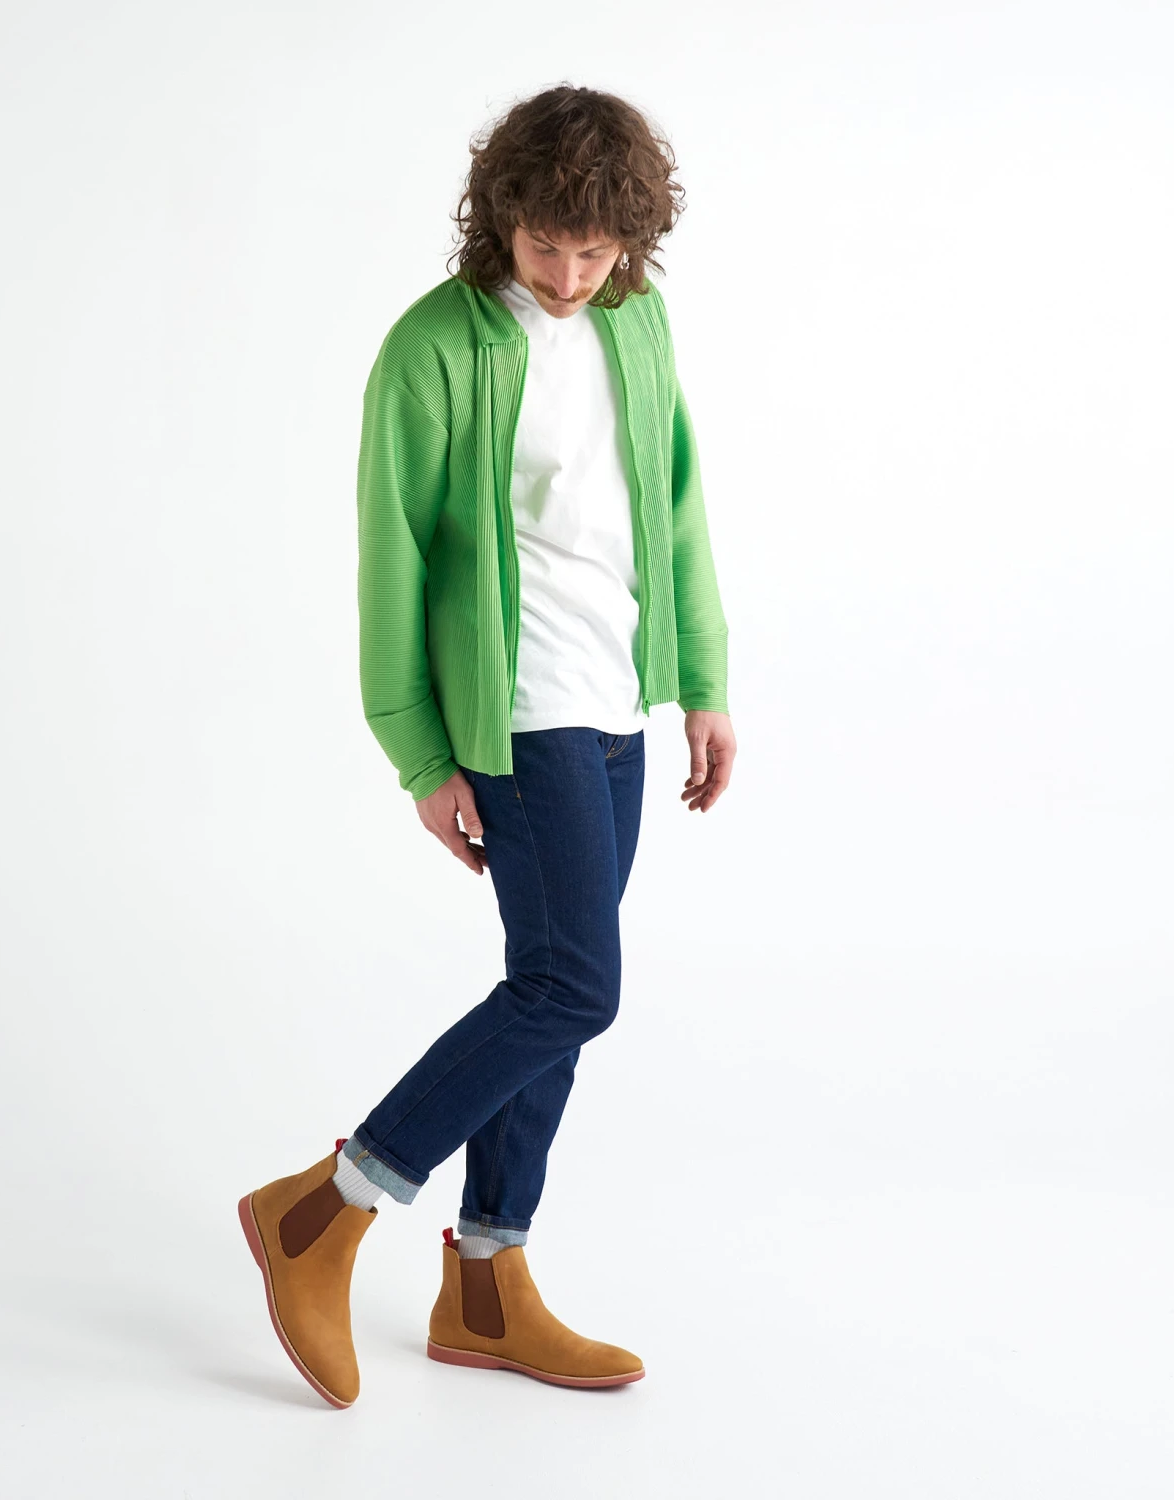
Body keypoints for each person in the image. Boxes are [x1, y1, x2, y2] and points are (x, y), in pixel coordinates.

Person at [238, 83, 737, 1408]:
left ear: (632, 242)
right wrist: (420, 754)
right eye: (544, 247)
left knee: (549, 992)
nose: (568, 279)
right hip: (517, 707)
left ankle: (484, 1284)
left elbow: (678, 503)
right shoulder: (432, 348)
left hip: (618, 697)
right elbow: (390, 556)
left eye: (596, 252)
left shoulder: (636, 322)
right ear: (500, 218)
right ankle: (322, 1211)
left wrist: (700, 676)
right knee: (577, 988)